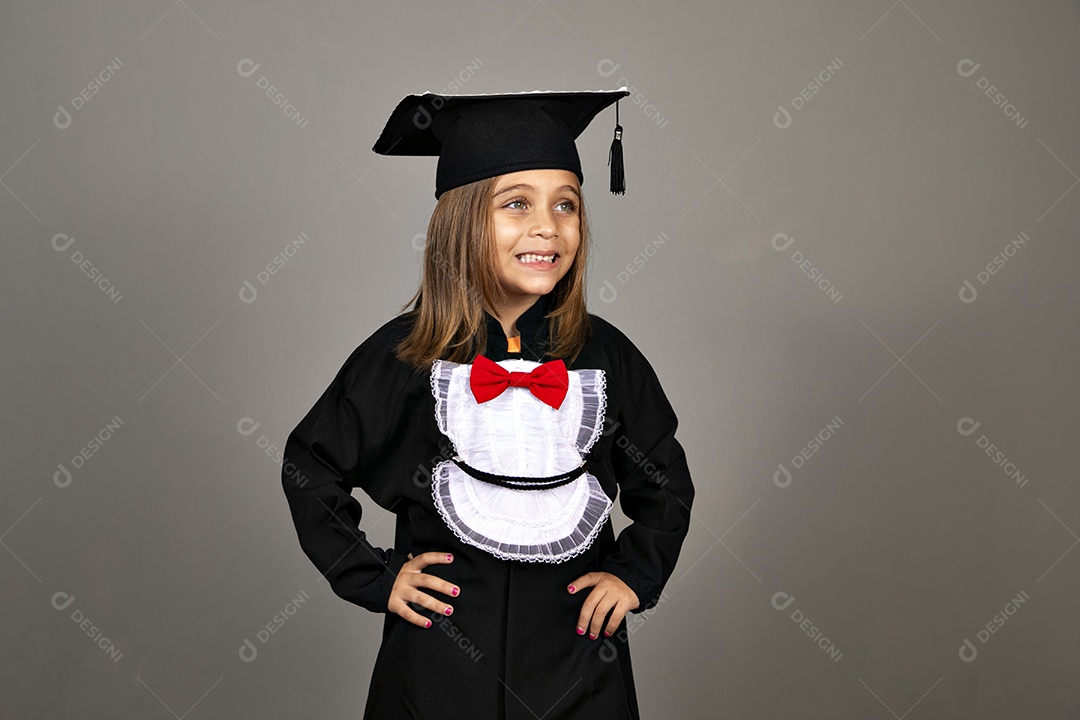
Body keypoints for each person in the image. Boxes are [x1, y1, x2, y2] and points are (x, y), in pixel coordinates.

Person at [280, 87, 695, 720]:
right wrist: (377, 575)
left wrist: (637, 575)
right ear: (462, 220)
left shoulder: (607, 355)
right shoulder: (406, 355)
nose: (546, 228)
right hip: (438, 664)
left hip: (579, 664)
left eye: (566, 205)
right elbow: (310, 465)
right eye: (515, 205)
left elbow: (663, 481)